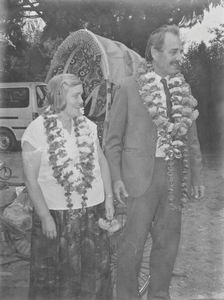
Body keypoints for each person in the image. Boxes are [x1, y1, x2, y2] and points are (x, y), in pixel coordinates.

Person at [105, 24, 205, 300]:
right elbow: (111, 140)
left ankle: (159, 295)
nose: (180, 56)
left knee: (168, 244)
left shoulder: (183, 89)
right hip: (138, 179)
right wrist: (115, 178)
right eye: (174, 51)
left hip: (174, 175)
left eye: (181, 50)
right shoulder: (128, 88)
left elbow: (191, 138)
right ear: (155, 52)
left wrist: (195, 175)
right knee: (131, 246)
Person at [22, 73, 114, 300]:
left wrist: (109, 197)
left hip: (92, 213)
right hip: (57, 219)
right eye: (76, 96)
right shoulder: (36, 130)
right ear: (59, 96)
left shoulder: (89, 127)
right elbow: (30, 180)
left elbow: (101, 161)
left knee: (94, 274)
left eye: (81, 95)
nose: (82, 100)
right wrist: (44, 216)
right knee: (59, 278)